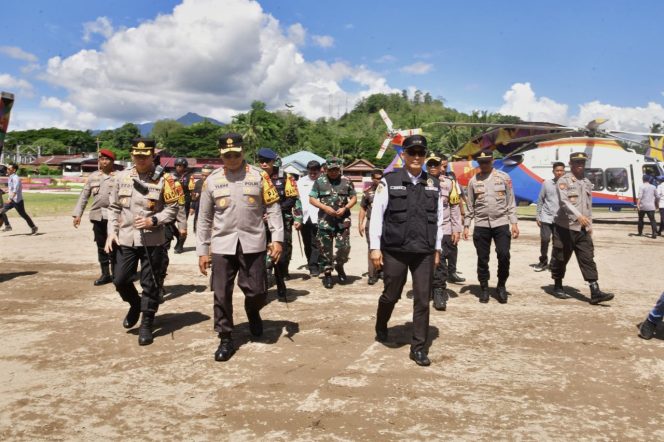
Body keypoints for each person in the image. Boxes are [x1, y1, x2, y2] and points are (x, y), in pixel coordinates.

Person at [196, 133, 283, 362]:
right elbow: (203, 218)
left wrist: (277, 238)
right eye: (227, 155)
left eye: (236, 154)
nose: (232, 159)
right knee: (221, 293)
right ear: (221, 155)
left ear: (243, 152)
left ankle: (253, 311)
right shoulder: (212, 180)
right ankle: (225, 337)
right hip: (222, 245)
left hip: (253, 242)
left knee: (257, 291)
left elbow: (273, 208)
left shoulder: (260, 176)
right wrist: (202, 251)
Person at [370, 134, 443, 367]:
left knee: (423, 299)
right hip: (395, 249)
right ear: (404, 155)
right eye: (412, 152)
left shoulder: (434, 184)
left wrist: (437, 248)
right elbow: (376, 216)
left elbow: (439, 219)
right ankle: (381, 324)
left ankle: (418, 347)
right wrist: (375, 248)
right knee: (391, 294)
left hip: (423, 250)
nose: (417, 157)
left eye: (421, 153)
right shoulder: (389, 181)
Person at [104, 138, 180, 346]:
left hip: (152, 239)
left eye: (145, 155)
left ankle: (147, 322)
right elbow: (113, 208)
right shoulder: (121, 177)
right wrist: (112, 232)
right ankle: (135, 304)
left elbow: (173, 208)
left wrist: (153, 220)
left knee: (150, 283)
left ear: (152, 155)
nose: (141, 159)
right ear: (131, 155)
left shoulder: (166, 180)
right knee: (120, 279)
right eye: (137, 155)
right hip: (126, 238)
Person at [549, 151, 613, 304]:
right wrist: (578, 215)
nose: (580, 165)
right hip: (565, 227)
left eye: (582, 163)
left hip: (582, 228)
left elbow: (588, 206)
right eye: (577, 163)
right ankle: (557, 285)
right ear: (571, 164)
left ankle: (595, 290)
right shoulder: (563, 180)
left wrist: (590, 225)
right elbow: (564, 202)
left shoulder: (585, 182)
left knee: (587, 257)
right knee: (561, 258)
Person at [463, 151, 519, 303]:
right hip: (481, 225)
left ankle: (501, 285)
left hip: (501, 223)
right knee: (482, 259)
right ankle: (484, 288)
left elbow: (510, 201)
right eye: (481, 162)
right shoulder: (473, 181)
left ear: (492, 161)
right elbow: (470, 205)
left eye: (487, 161)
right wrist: (467, 225)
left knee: (504, 254)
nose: (484, 165)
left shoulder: (504, 177)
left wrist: (513, 222)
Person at [256, 147, 303, 299]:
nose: (263, 164)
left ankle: (280, 281)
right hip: (259, 222)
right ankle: (263, 284)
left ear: (273, 162)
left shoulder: (286, 177)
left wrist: (271, 213)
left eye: (267, 161)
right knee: (259, 253)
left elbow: (292, 199)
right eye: (261, 161)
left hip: (281, 220)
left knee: (281, 255)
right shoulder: (255, 177)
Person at [309, 157, 357, 289]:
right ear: (325, 169)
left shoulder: (346, 181)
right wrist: (325, 208)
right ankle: (328, 273)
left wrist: (346, 208)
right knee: (325, 249)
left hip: (342, 220)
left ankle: (340, 265)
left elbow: (354, 198)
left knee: (344, 247)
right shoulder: (320, 181)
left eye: (336, 169)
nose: (334, 172)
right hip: (325, 220)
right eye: (331, 170)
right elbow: (312, 199)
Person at [72, 149, 117, 286]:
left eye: (107, 159)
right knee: (101, 246)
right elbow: (84, 196)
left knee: (116, 245)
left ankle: (117, 274)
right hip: (98, 216)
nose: (104, 161)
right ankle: (105, 274)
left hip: (114, 216)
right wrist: (78, 214)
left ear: (112, 161)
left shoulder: (119, 176)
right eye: (101, 159)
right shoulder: (93, 177)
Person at [425, 152, 462, 311]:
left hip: (445, 228)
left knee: (441, 261)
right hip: (425, 229)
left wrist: (457, 229)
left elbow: (454, 207)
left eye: (436, 164)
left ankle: (439, 290)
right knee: (425, 261)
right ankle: (427, 289)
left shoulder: (450, 183)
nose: (433, 167)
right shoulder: (419, 182)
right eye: (430, 165)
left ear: (442, 166)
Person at [534, 162, 566, 271]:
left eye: (561, 170)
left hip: (560, 219)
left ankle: (553, 264)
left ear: (564, 171)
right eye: (557, 170)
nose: (559, 172)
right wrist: (538, 216)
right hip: (546, 217)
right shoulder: (546, 184)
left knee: (557, 243)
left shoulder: (568, 185)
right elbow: (540, 200)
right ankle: (543, 261)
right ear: (553, 171)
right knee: (545, 239)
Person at [440, 155, 466, 284]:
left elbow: (457, 199)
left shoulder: (451, 179)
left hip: (448, 223)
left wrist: (462, 213)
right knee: (440, 253)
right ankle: (442, 276)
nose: (443, 168)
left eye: (445, 165)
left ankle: (452, 272)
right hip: (435, 225)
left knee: (452, 247)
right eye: (442, 165)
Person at [358, 168, 383, 285]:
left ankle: (382, 271)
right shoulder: (368, 192)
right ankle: (372, 274)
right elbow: (363, 208)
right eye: (377, 178)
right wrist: (360, 223)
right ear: (372, 179)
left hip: (386, 223)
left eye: (381, 177)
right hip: (371, 223)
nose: (380, 180)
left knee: (386, 248)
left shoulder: (387, 190)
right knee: (372, 248)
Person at [297, 160, 322, 276]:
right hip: (305, 216)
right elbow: (297, 199)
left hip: (319, 216)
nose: (312, 174)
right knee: (307, 242)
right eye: (311, 172)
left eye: (315, 172)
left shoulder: (323, 181)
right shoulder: (300, 182)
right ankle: (311, 263)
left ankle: (314, 266)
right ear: (308, 170)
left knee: (316, 242)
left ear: (319, 171)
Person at [0, 163, 38, 234]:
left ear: (14, 170)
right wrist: (6, 191)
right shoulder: (10, 177)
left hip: (17, 201)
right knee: (1, 211)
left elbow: (16, 190)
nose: (7, 170)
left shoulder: (16, 178)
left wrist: (10, 199)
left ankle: (33, 227)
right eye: (7, 168)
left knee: (23, 215)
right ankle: (8, 226)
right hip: (11, 200)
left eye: (9, 169)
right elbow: (12, 188)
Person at [171, 157, 195, 253]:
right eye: (177, 165)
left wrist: (193, 205)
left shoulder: (189, 176)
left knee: (183, 225)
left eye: (180, 165)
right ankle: (177, 235)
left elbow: (192, 190)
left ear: (185, 166)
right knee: (168, 223)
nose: (178, 167)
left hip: (185, 203)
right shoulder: (171, 176)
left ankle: (180, 245)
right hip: (173, 202)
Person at [190, 164, 214, 233]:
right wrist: (192, 207)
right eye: (202, 175)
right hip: (199, 208)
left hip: (211, 210)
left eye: (206, 176)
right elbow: (194, 197)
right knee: (198, 228)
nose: (203, 177)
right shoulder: (198, 183)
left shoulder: (215, 184)